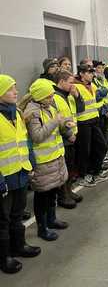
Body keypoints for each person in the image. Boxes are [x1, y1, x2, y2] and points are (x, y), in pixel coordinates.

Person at [0, 75, 41, 274]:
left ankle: (19, 246)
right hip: (4, 179)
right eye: (11, 89)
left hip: (21, 173)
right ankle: (5, 257)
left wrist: (31, 163)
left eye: (16, 88)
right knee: (3, 219)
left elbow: (25, 141)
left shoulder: (16, 113)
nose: (16, 92)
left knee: (17, 214)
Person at [24, 79, 69, 242]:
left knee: (52, 192)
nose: (52, 99)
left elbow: (56, 123)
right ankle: (42, 228)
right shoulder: (32, 112)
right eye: (49, 96)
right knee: (42, 196)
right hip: (43, 162)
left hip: (55, 158)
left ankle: (52, 219)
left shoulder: (48, 108)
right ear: (41, 97)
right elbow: (37, 136)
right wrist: (54, 122)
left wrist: (65, 123)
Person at [53, 70, 85, 209]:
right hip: (63, 138)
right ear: (61, 82)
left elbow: (80, 109)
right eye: (70, 82)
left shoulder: (69, 95)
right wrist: (68, 135)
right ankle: (62, 196)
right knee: (63, 168)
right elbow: (58, 121)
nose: (73, 85)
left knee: (71, 166)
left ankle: (69, 190)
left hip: (73, 136)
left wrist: (77, 96)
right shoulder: (55, 98)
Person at [74, 64, 108, 187]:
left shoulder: (92, 85)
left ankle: (95, 171)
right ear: (81, 74)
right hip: (83, 122)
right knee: (84, 150)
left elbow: (102, 93)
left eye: (92, 72)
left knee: (101, 146)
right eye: (89, 72)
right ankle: (83, 175)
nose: (92, 74)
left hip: (94, 120)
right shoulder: (75, 87)